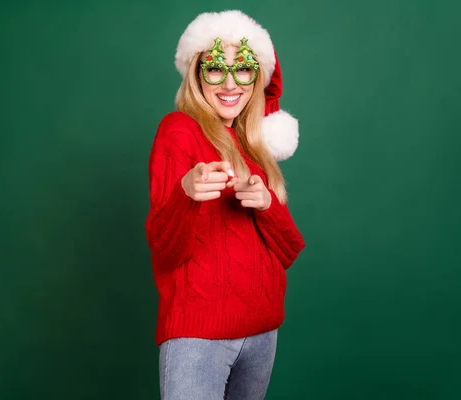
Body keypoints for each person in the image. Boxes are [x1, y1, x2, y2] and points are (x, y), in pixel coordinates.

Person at [145, 10, 305, 400]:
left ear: (257, 78)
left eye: (244, 70)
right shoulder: (178, 129)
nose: (230, 83)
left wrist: (267, 202)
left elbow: (289, 250)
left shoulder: (255, 149)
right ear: (198, 74)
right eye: (216, 69)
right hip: (200, 336)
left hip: (263, 332)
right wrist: (185, 192)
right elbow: (164, 248)